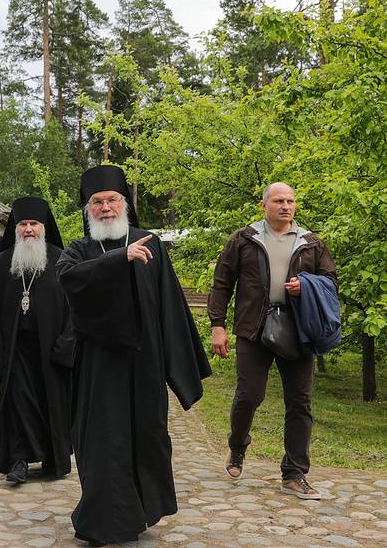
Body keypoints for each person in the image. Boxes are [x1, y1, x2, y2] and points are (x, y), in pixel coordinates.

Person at [57, 165, 211, 546]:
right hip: (98, 365)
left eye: (111, 200)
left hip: (144, 364)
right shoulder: (79, 250)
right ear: (87, 209)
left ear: (124, 204)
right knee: (102, 441)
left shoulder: (150, 243)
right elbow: (69, 280)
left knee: (147, 437)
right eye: (97, 202)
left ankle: (140, 511)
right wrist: (119, 259)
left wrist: (180, 369)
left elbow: (170, 306)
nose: (105, 207)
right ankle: (103, 521)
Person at [208, 182, 337, 500]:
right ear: (264, 204)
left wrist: (306, 286)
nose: (286, 206)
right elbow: (222, 283)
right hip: (253, 329)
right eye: (279, 200)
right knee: (249, 395)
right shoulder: (243, 239)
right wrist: (218, 326)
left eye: (291, 200)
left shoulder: (311, 243)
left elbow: (331, 282)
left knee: (299, 403)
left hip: (298, 331)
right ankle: (237, 447)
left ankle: (294, 474)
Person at [0, 197, 75, 484]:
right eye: (23, 224)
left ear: (44, 228)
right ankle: (19, 459)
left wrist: (67, 345)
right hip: (15, 350)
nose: (28, 229)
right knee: (18, 401)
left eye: (34, 224)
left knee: (51, 404)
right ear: (15, 228)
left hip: (51, 350)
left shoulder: (62, 259)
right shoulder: (3, 261)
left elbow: (75, 309)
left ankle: (50, 458)